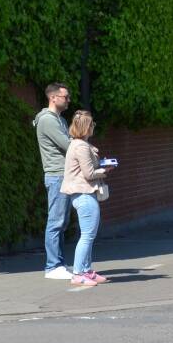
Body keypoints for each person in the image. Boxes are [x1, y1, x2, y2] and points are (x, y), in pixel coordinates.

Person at [60, 110, 113, 286]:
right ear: (85, 127)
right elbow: (89, 173)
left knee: (88, 235)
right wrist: (105, 170)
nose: (93, 127)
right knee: (87, 235)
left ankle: (87, 271)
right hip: (84, 193)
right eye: (91, 124)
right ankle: (78, 274)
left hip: (83, 193)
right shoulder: (81, 146)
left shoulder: (78, 144)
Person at [33, 83, 73, 280]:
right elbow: (68, 145)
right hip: (57, 175)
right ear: (53, 98)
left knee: (61, 221)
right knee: (56, 221)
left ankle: (59, 263)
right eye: (65, 96)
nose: (68, 100)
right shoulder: (48, 121)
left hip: (62, 174)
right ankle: (52, 266)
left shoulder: (60, 120)